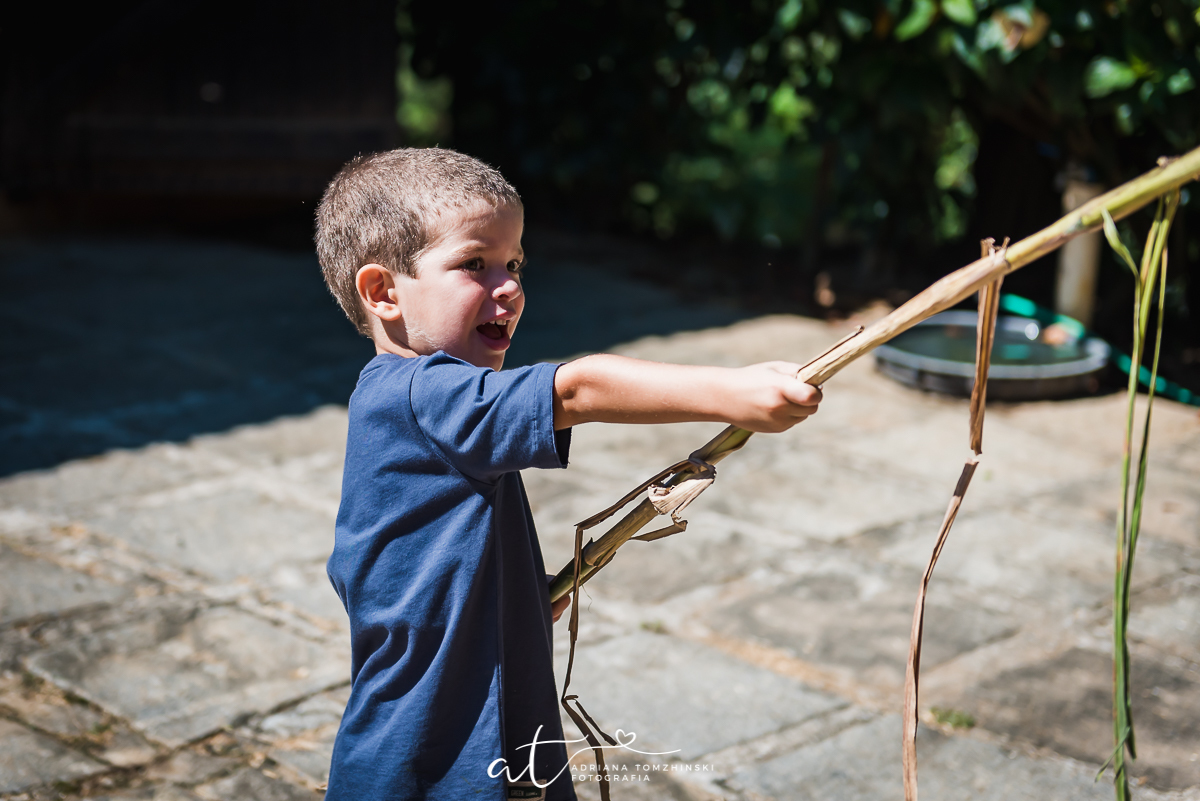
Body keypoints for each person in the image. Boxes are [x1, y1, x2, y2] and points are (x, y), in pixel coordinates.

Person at [314, 148, 822, 801]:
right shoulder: (424, 394)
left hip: (487, 731)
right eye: (475, 263)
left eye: (515, 263)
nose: (510, 286)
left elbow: (390, 564)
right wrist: (733, 392)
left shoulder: (408, 401)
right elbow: (577, 388)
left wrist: (510, 597)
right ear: (384, 291)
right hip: (433, 758)